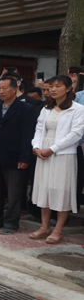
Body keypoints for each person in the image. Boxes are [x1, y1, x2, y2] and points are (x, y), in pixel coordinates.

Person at [0, 76, 37, 234]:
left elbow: (28, 135)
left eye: (5, 88)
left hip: (15, 156)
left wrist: (25, 157)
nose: (1, 91)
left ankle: (11, 222)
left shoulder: (26, 109)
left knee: (14, 193)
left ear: (15, 89)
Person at [29, 75, 84, 244]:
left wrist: (52, 149)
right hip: (43, 152)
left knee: (61, 190)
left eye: (57, 86)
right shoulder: (46, 109)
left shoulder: (78, 109)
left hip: (63, 154)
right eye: (50, 86)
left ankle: (58, 230)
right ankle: (45, 227)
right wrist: (36, 147)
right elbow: (39, 129)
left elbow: (75, 134)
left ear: (68, 88)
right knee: (44, 189)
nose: (52, 89)